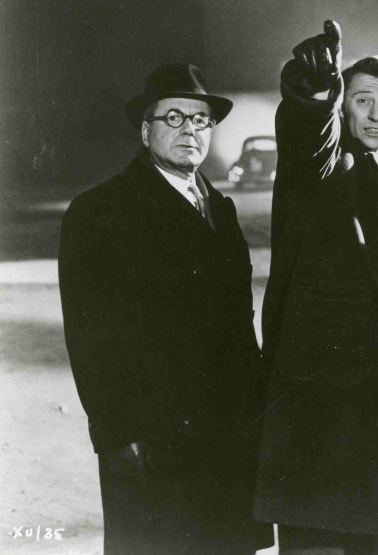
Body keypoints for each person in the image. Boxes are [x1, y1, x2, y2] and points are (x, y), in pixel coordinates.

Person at [58, 63, 273, 555]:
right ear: (145, 130)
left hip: (228, 437)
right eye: (173, 117)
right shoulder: (101, 211)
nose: (189, 130)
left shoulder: (221, 209)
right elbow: (89, 340)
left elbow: (239, 329)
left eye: (200, 120)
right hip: (154, 444)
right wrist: (119, 438)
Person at [253, 20, 378, 554]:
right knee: (318, 540)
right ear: (342, 107)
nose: (376, 115)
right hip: (319, 400)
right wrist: (313, 93)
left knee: (358, 539)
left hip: (369, 400)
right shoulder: (329, 160)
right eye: (362, 101)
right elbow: (309, 140)